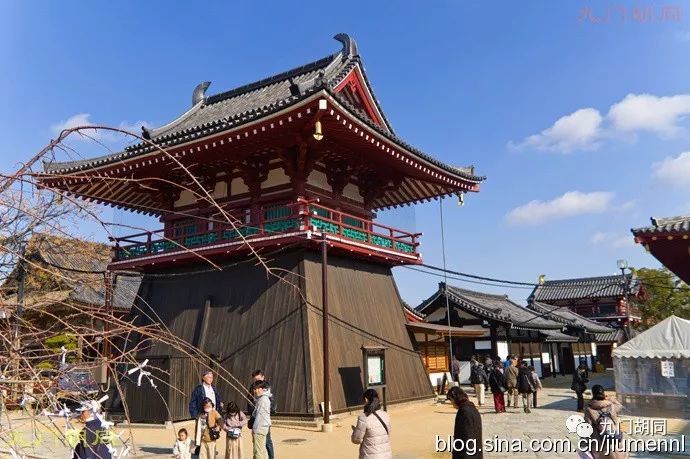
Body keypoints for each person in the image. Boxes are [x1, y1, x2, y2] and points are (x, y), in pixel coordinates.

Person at [584, 385, 628, 459]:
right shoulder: (611, 405)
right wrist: (610, 398)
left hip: (599, 441)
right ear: (603, 393)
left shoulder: (589, 408)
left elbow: (587, 426)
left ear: (593, 394)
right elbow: (620, 406)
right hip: (615, 437)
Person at [351, 388, 391, 459]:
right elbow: (388, 433)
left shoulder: (363, 418)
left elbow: (356, 440)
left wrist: (355, 431)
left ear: (366, 400)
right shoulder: (385, 415)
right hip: (386, 456)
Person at [446, 387, 483, 459]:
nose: (452, 403)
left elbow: (467, 437)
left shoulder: (464, 411)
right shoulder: (470, 408)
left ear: (455, 398)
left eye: (451, 400)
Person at [247, 370, 276, 459]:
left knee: (261, 449)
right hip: (262, 425)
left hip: (260, 426)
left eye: (256, 389)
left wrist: (253, 418)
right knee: (259, 449)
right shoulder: (262, 396)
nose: (255, 391)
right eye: (255, 380)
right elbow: (250, 402)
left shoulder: (264, 397)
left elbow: (259, 413)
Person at [251, 380, 272, 459]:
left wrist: (254, 429)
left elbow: (258, 416)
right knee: (261, 450)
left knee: (258, 452)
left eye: (257, 389)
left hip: (259, 428)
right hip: (263, 428)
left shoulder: (262, 400)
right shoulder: (265, 398)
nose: (255, 391)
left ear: (262, 389)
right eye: (255, 389)